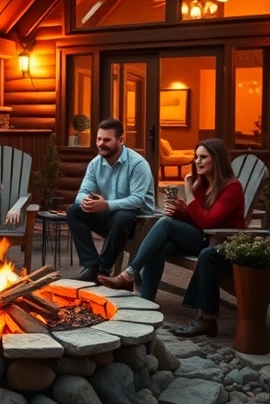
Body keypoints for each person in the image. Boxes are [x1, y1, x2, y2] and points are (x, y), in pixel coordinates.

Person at [98, 137, 246, 337]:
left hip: (221, 242)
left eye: (203, 157)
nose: (197, 161)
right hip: (203, 238)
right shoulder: (203, 184)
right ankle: (146, 302)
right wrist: (179, 212)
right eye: (196, 157)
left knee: (165, 224)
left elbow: (208, 222)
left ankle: (129, 274)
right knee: (161, 243)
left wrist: (189, 191)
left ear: (217, 159)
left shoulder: (232, 187)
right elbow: (196, 220)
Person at [66, 117, 156, 283]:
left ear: (121, 140)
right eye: (99, 139)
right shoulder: (95, 164)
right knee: (74, 211)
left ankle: (103, 269)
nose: (101, 144)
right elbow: (81, 194)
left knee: (123, 215)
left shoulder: (138, 164)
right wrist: (87, 201)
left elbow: (137, 201)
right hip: (112, 218)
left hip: (140, 223)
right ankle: (91, 266)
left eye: (107, 140)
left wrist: (106, 205)